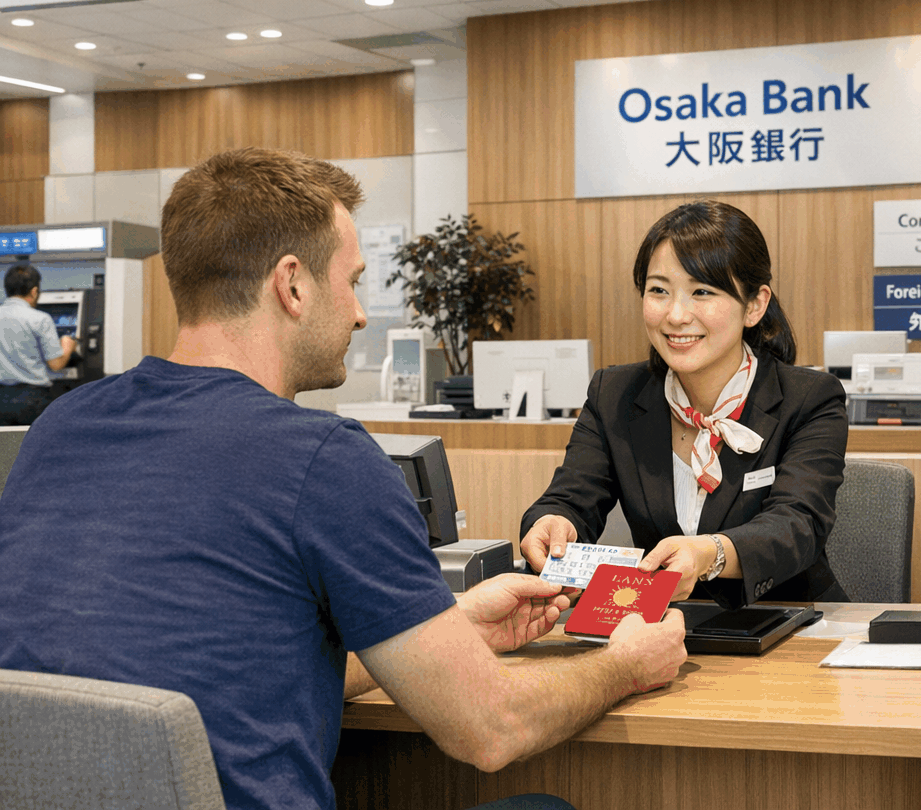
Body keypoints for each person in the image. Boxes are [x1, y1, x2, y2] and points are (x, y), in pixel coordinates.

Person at [0, 147, 687, 810]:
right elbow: (492, 729)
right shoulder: (323, 458)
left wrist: (456, 634)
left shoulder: (61, 428)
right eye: (353, 281)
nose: (360, 312)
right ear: (292, 285)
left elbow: (228, 669)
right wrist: (627, 664)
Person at [520, 200, 849, 609]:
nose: (676, 315)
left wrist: (709, 554)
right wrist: (552, 524)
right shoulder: (614, 394)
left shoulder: (809, 399)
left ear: (754, 305)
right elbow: (571, 497)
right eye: (659, 290)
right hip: (664, 629)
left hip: (790, 625)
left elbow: (798, 524)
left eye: (702, 292)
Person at [0, 263, 77, 426]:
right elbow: (56, 364)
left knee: (5, 447)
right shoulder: (40, 319)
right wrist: (67, 346)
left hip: (2, 397)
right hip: (33, 400)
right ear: (34, 291)